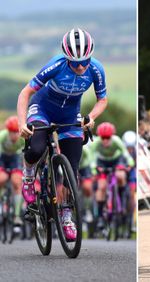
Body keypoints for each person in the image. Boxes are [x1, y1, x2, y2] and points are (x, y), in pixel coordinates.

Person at [17, 28, 108, 241]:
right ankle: (29, 174)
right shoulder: (56, 65)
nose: (80, 66)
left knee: (72, 165)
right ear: (67, 57)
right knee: (37, 148)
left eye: (84, 61)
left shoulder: (95, 69)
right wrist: (22, 123)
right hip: (43, 108)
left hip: (70, 114)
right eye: (75, 63)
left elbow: (102, 99)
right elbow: (26, 93)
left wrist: (91, 117)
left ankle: (67, 217)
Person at [89, 122, 135, 228]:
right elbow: (92, 158)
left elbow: (125, 154)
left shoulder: (116, 141)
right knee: (101, 186)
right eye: (103, 138)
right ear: (100, 136)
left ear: (112, 136)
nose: (105, 140)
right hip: (102, 161)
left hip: (116, 160)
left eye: (108, 137)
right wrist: (94, 169)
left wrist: (130, 163)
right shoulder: (95, 143)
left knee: (121, 176)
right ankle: (100, 217)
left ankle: (122, 200)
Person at [0, 116, 26, 224]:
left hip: (15, 158)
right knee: (2, 179)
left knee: (17, 182)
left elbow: (25, 155)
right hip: (2, 157)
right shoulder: (2, 136)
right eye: (12, 132)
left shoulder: (22, 138)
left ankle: (16, 215)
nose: (14, 135)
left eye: (16, 132)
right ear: (8, 131)